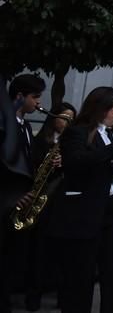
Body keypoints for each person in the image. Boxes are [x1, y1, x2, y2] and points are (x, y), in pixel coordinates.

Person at [51, 86, 113, 313]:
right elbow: (78, 162)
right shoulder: (78, 132)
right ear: (103, 109)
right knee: (80, 278)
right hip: (88, 213)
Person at [22, 102, 74, 311]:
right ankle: (32, 296)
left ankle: (61, 295)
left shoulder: (72, 143)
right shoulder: (41, 140)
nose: (67, 122)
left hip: (62, 202)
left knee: (61, 253)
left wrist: (66, 162)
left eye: (71, 118)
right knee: (38, 251)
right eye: (64, 117)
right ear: (54, 118)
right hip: (42, 200)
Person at [1, 73, 45, 313]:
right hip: (7, 202)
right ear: (19, 97)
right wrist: (11, 198)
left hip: (23, 202)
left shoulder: (26, 125)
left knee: (13, 261)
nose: (39, 103)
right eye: (35, 97)